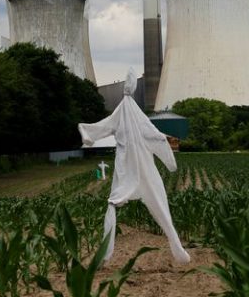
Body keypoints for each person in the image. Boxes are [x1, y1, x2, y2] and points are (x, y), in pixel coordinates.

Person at [78, 67, 190, 263]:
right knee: (160, 207)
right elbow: (158, 139)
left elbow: (101, 127)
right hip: (145, 171)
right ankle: (178, 249)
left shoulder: (120, 113)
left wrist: (87, 133)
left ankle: (105, 254)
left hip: (125, 171)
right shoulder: (139, 117)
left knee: (113, 203)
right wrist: (170, 163)